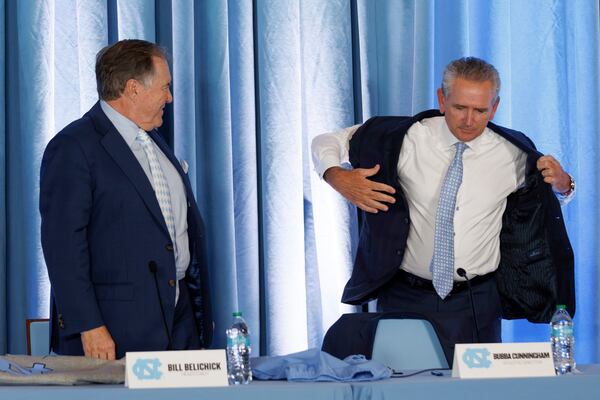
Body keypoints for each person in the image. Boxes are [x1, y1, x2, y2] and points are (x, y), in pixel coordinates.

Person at [312, 57, 575, 347]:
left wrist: (565, 184)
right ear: (442, 99)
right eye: (460, 107)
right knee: (404, 389)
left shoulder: (514, 152)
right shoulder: (405, 137)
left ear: (495, 107)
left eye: (480, 110)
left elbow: (539, 209)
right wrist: (336, 175)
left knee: (476, 392)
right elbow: (326, 141)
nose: (469, 120)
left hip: (477, 302)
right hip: (404, 294)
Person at [40, 39, 212, 359]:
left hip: (179, 324)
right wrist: (88, 326)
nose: (170, 97)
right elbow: (62, 245)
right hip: (115, 331)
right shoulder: (74, 146)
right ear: (133, 88)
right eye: (165, 87)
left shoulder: (156, 142)